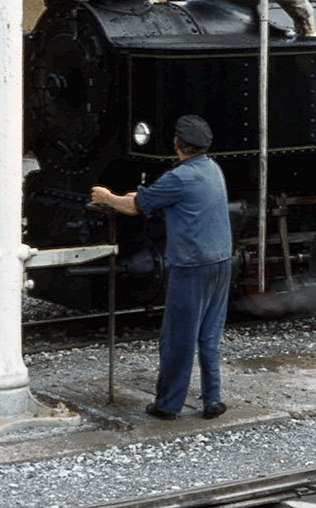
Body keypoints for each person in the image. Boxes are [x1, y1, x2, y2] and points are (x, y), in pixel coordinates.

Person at [90, 115, 231, 421]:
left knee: (178, 338)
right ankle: (212, 400)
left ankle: (168, 405)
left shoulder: (177, 178)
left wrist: (107, 197)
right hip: (221, 261)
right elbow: (154, 198)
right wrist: (140, 197)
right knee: (209, 335)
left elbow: (132, 207)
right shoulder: (212, 169)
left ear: (177, 144)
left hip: (192, 266)